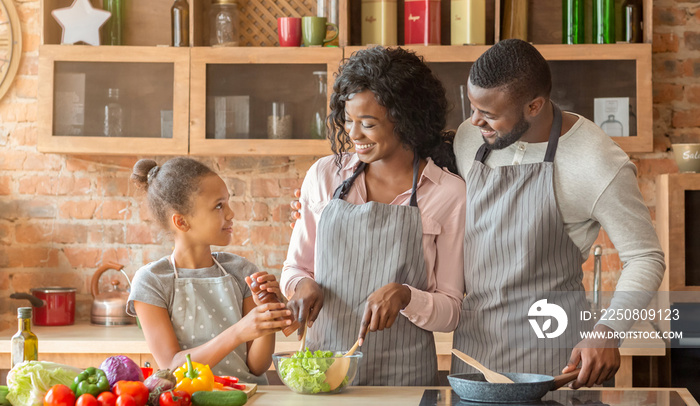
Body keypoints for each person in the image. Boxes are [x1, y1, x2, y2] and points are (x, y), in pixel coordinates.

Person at [451, 39, 665, 389]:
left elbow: (645, 257)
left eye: (488, 114)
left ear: (534, 106)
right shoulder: (469, 138)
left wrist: (608, 331)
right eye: (473, 107)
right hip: (474, 353)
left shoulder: (596, 161)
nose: (474, 121)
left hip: (553, 356)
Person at [280, 46, 467, 386]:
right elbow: (295, 268)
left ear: (407, 119)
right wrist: (302, 286)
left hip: (405, 381)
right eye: (348, 120)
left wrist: (406, 295)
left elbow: (451, 310)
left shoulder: (448, 194)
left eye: (367, 124)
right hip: (324, 374)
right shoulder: (325, 176)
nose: (353, 135)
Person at [127, 157, 292, 384]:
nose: (231, 213)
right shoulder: (152, 281)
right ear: (182, 222)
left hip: (248, 398)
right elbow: (172, 367)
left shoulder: (241, 271)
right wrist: (239, 332)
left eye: (227, 202)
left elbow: (257, 367)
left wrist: (266, 315)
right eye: (218, 206)